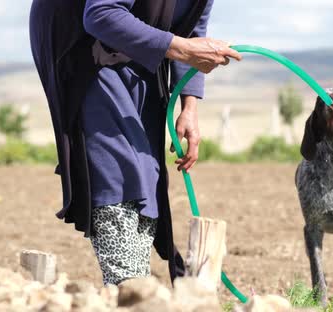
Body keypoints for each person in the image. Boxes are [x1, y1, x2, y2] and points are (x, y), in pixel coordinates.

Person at [29, 0, 241, 285]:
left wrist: (189, 107)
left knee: (147, 172)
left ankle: (134, 288)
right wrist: (183, 49)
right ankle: (125, 285)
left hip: (142, 47)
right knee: (119, 168)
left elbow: (192, 32)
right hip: (82, 42)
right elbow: (101, 13)